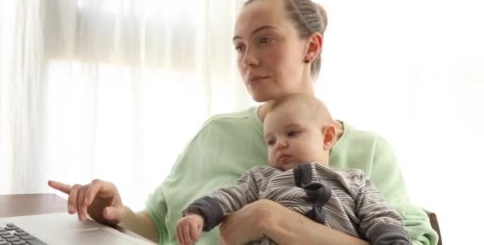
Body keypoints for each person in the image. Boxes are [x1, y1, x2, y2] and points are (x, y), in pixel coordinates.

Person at [48, 0, 438, 245]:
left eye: (265, 39)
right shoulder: (215, 133)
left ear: (312, 46)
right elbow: (159, 228)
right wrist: (116, 214)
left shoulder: (367, 153)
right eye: (239, 46)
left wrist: (275, 220)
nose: (247, 59)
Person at [175, 93, 410, 245]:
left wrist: (393, 240)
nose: (280, 144)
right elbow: (227, 196)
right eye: (271, 141)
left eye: (292, 133)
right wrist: (199, 213)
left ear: (327, 137)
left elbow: (379, 215)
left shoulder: (355, 181)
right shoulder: (260, 178)